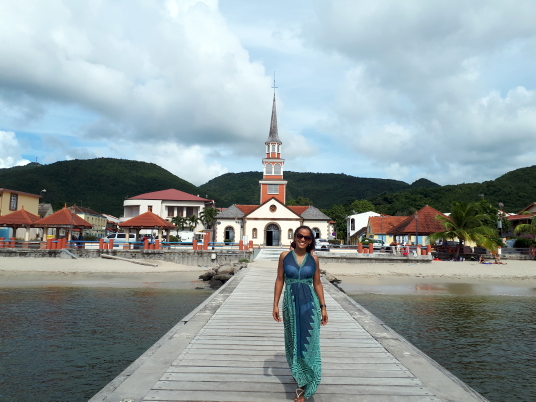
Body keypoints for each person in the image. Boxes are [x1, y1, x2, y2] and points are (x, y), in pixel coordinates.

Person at [273, 226, 328, 401]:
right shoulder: (284, 256)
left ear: (311, 240)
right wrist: (275, 304)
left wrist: (323, 307)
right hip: (290, 303)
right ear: (295, 237)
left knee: (308, 341)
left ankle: (304, 386)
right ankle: (299, 373)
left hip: (309, 304)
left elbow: (317, 283)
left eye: (307, 237)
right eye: (300, 236)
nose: (303, 239)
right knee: (293, 340)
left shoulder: (314, 259)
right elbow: (280, 279)